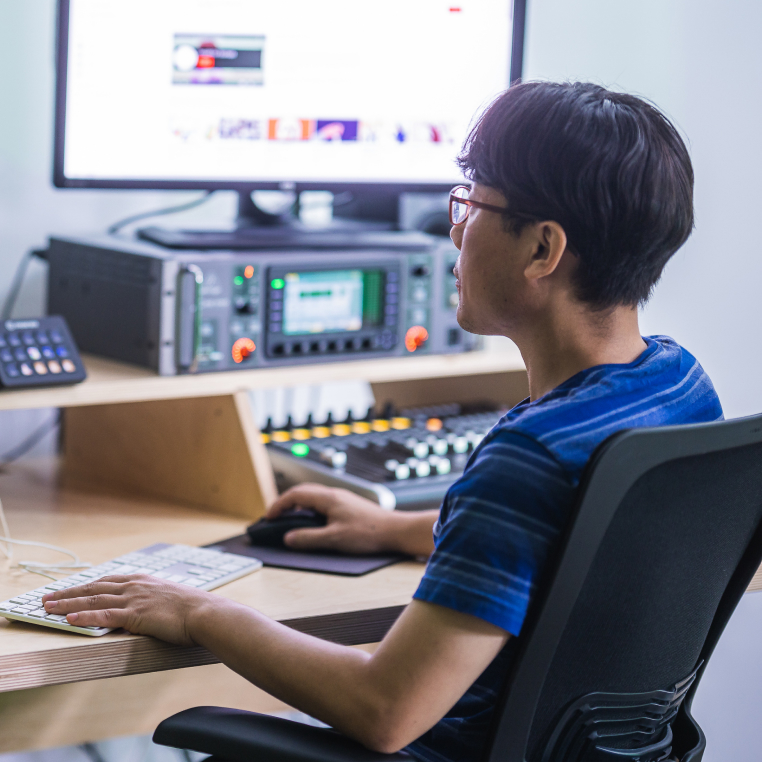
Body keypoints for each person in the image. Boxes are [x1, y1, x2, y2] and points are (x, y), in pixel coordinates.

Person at [42, 82, 722, 762]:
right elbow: (580, 540)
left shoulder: (528, 456)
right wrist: (392, 529)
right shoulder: (679, 383)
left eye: (471, 203)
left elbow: (386, 710)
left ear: (543, 249)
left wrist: (200, 612)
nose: (453, 229)